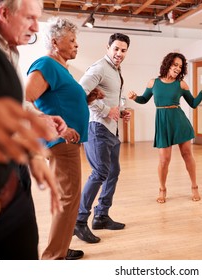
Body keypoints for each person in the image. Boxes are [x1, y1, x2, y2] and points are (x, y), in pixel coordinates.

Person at [25, 17, 100, 260]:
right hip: (60, 142)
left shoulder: (60, 68)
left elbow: (59, 101)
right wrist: (59, 129)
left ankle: (61, 247)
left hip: (68, 141)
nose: (76, 45)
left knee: (68, 197)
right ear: (55, 42)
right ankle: (53, 257)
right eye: (72, 40)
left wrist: (87, 100)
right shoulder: (46, 64)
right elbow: (25, 100)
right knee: (68, 198)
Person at [0, 0, 63, 260]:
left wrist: (39, 119)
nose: (36, 28)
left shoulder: (10, 51)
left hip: (13, 172)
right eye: (29, 18)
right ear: (3, 13)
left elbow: (13, 104)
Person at [128, 52, 202, 203]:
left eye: (180, 66)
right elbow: (143, 99)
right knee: (164, 160)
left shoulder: (181, 84)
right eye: (175, 65)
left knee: (187, 155)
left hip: (179, 122)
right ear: (167, 64)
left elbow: (193, 104)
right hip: (162, 123)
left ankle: (194, 187)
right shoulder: (153, 83)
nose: (177, 68)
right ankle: (162, 189)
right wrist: (135, 97)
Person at [74, 33, 132, 244]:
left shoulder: (115, 70)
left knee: (112, 171)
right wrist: (106, 110)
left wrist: (121, 111)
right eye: (116, 49)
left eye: (123, 50)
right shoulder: (99, 68)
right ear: (107, 47)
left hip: (111, 129)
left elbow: (112, 97)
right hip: (97, 127)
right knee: (100, 172)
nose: (119, 53)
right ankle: (79, 222)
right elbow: (80, 92)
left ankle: (101, 215)